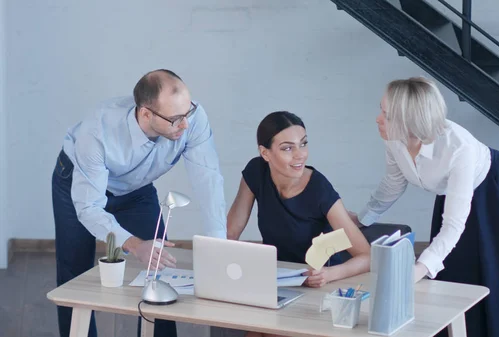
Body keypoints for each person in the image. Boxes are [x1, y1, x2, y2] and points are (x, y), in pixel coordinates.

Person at [349, 77, 499, 337]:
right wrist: (364, 218)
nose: (378, 119)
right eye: (381, 110)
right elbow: (393, 182)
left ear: (410, 122)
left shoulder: (459, 147)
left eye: (387, 115)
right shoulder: (393, 138)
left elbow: (454, 224)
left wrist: (418, 270)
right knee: (456, 275)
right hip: (453, 195)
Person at [52, 69, 227, 337]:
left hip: (136, 189)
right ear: (146, 113)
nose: (186, 125)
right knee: (75, 275)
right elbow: (89, 208)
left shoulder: (192, 119)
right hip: (77, 182)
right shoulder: (97, 132)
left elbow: (209, 181)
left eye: (188, 112)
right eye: (176, 119)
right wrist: (133, 244)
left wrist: (218, 246)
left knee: (160, 267)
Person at [227, 111, 370, 290]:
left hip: (318, 283)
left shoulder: (319, 188)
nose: (300, 154)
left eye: (303, 144)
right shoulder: (256, 172)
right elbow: (230, 233)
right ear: (265, 153)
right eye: (287, 148)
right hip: (278, 277)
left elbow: (366, 256)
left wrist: (328, 274)